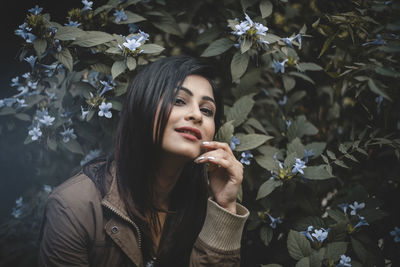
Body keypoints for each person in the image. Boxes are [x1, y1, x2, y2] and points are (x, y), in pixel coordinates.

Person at [38, 56, 249, 267]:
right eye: (178, 101)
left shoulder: (204, 204)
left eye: (207, 110)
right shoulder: (73, 208)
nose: (196, 115)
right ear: (143, 107)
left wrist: (224, 207)